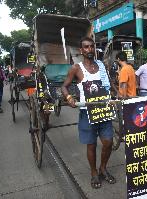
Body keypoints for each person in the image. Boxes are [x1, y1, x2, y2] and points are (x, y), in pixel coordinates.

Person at [62, 37, 116, 189]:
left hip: (104, 110)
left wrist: (117, 93)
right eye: (86, 47)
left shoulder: (102, 65)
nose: (89, 49)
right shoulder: (76, 68)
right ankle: (94, 173)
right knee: (91, 145)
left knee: (108, 142)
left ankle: (103, 168)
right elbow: (64, 86)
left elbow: (109, 84)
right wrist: (69, 97)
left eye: (91, 47)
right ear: (81, 50)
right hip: (87, 112)